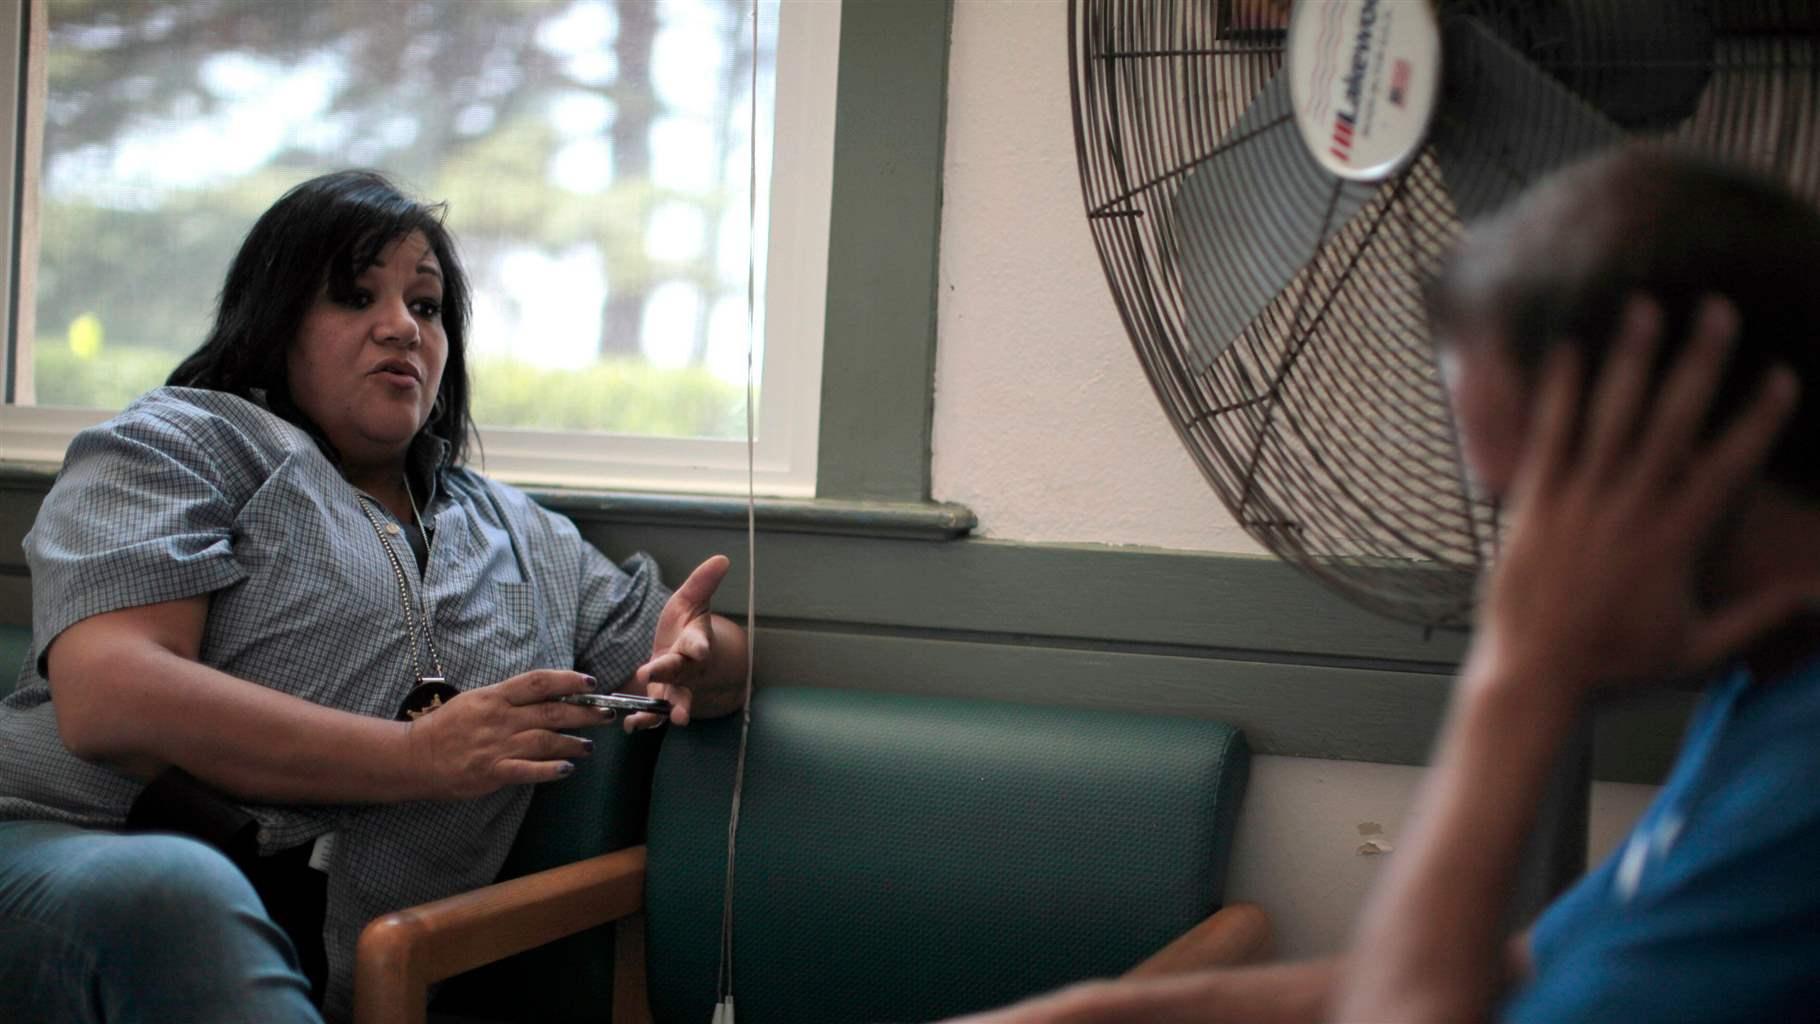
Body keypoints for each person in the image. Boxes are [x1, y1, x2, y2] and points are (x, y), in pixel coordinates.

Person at [955, 148, 1820, 1022]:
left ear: (1677, 450)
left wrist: (1519, 683)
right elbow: (1550, 969)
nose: (1517, 566)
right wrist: (1096, 1015)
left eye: (1530, 510)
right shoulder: (1765, 678)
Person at [0, 170, 748, 1023]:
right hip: (71, 851)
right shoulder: (182, 442)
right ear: (277, 322)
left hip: (353, 960)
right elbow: (112, 700)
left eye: (426, 308)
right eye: (356, 297)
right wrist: (417, 760)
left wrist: (708, 657)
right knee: (175, 892)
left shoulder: (526, 536)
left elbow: (682, 662)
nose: (401, 327)